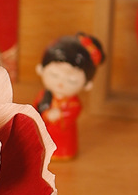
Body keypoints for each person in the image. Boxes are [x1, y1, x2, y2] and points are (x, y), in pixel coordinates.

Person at [34, 32, 106, 160]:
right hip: (46, 131)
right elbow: (36, 109)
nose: (60, 83)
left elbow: (73, 111)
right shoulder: (44, 95)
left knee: (62, 142)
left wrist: (60, 115)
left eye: (72, 80)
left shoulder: (73, 102)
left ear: (87, 84)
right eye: (54, 75)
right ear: (41, 69)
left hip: (64, 135)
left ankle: (63, 152)